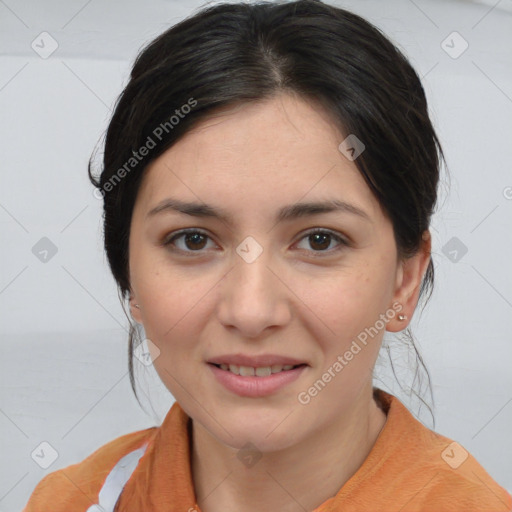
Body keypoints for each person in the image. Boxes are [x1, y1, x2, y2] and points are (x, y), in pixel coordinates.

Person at [23, 1, 512, 511]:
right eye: (193, 239)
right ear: (128, 274)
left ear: (404, 280)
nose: (251, 311)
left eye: (320, 240)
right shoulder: (70, 500)